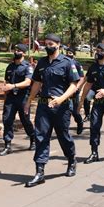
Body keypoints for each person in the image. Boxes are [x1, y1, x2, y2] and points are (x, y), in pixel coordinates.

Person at [23, 34, 80, 187]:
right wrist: (29, 101)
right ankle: (39, 172)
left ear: (58, 45)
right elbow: (36, 83)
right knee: (40, 136)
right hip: (43, 105)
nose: (47, 46)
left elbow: (74, 85)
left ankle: (71, 160)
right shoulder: (41, 62)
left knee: (63, 136)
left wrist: (61, 99)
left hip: (61, 107)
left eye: (51, 43)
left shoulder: (67, 63)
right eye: (46, 43)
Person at [0, 43, 36, 156]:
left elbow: (28, 82)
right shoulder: (10, 67)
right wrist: (6, 90)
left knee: (25, 120)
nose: (16, 52)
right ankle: (7, 145)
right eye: (15, 50)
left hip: (23, 97)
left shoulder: (28, 67)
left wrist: (13, 86)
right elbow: (6, 82)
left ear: (23, 53)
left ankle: (33, 138)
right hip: (10, 98)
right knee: (7, 120)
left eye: (19, 50)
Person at [65, 46, 85, 135]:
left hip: (74, 90)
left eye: (70, 53)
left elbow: (81, 78)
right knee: (65, 109)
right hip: (64, 90)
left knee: (74, 111)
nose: (68, 54)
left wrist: (77, 87)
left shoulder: (77, 64)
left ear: (74, 54)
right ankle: (64, 128)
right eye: (67, 52)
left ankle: (79, 122)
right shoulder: (63, 63)